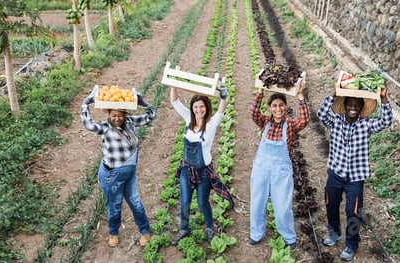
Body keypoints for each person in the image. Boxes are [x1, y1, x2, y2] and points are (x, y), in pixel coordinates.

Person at [316, 77, 393, 261]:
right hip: (335, 173)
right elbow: (320, 114)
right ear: (345, 106)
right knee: (331, 204)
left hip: (355, 178)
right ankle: (334, 233)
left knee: (354, 211)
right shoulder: (335, 121)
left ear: (360, 109)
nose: (353, 108)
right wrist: (334, 93)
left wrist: (383, 99)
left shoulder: (366, 125)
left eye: (356, 106)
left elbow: (386, 121)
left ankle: (351, 244)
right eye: (350, 104)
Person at [81, 87, 156, 247]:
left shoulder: (130, 122)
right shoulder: (104, 127)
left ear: (125, 115)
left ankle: (144, 230)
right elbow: (87, 124)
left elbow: (151, 117)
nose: (117, 118)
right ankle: (113, 233)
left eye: (120, 115)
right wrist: (86, 102)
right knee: (114, 206)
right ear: (109, 114)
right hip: (112, 175)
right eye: (114, 115)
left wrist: (143, 102)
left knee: (135, 203)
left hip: (129, 174)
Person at [247, 81, 310, 251]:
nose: (278, 109)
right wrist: (260, 91)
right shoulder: (264, 122)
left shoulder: (289, 125)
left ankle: (288, 236)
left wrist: (300, 96)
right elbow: (253, 112)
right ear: (269, 108)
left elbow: (305, 119)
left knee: (282, 206)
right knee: (257, 203)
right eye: (274, 106)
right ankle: (256, 234)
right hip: (261, 168)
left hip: (281, 171)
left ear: (286, 106)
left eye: (281, 105)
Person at [169, 86, 234, 246]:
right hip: (186, 169)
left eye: (202, 106)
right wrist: (174, 86)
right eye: (196, 107)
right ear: (192, 108)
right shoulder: (188, 120)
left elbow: (221, 110)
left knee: (203, 202)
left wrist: (224, 96)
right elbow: (174, 101)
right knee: (185, 202)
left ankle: (210, 228)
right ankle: (184, 229)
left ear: (206, 107)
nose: (199, 110)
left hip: (204, 171)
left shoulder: (211, 124)